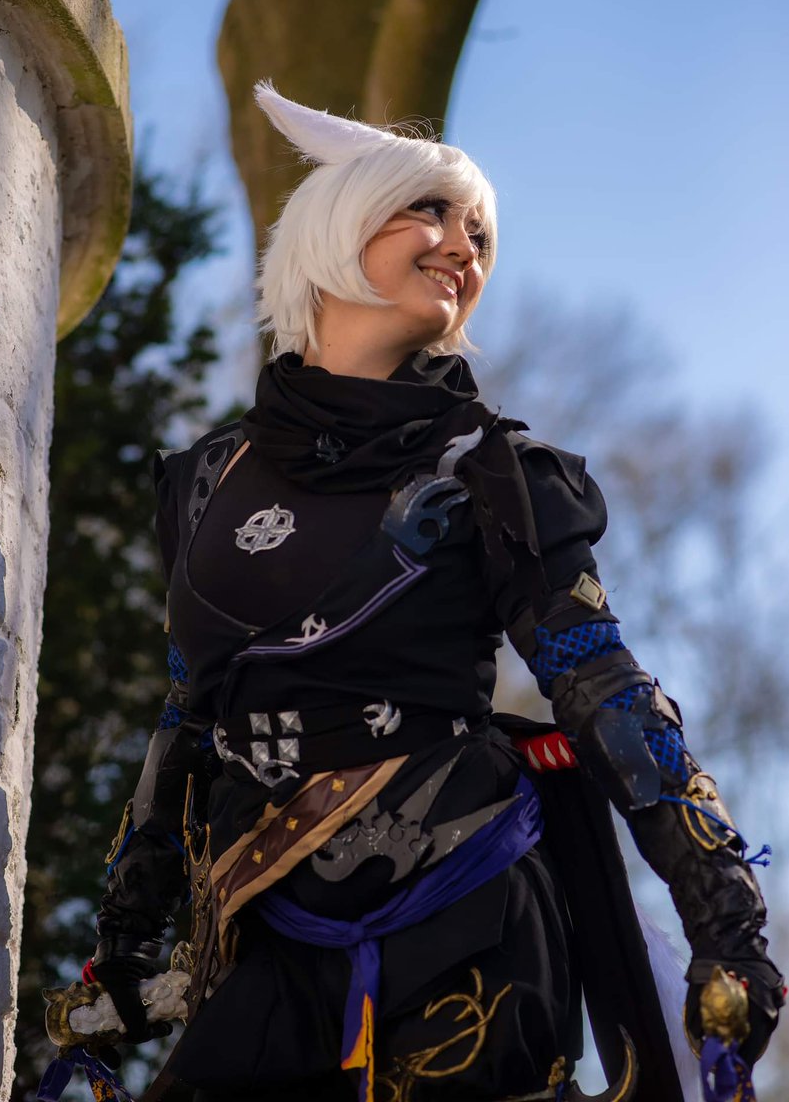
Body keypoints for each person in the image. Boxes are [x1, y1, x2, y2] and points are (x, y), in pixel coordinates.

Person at [81, 85, 782, 1102]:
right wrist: (121, 950)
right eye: (429, 212)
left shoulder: (495, 473)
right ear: (336, 224)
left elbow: (604, 691)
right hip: (263, 928)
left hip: (468, 912)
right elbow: (190, 716)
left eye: (481, 233)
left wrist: (729, 922)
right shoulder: (203, 482)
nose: (464, 246)